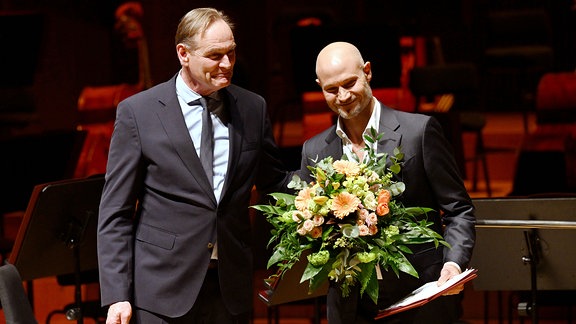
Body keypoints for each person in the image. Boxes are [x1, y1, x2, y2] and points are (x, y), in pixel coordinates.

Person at [97, 7, 290, 323]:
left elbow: (276, 183)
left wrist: (338, 179)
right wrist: (117, 294)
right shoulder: (139, 113)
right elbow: (115, 212)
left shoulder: (253, 108)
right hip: (161, 290)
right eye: (215, 56)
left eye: (231, 53)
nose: (226, 64)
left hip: (230, 289)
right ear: (183, 54)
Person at [298, 41, 476, 323]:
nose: (343, 96)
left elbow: (458, 209)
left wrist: (453, 265)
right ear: (319, 86)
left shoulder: (419, 132)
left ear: (367, 72)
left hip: (420, 296)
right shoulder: (314, 150)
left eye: (349, 83)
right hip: (350, 306)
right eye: (331, 89)